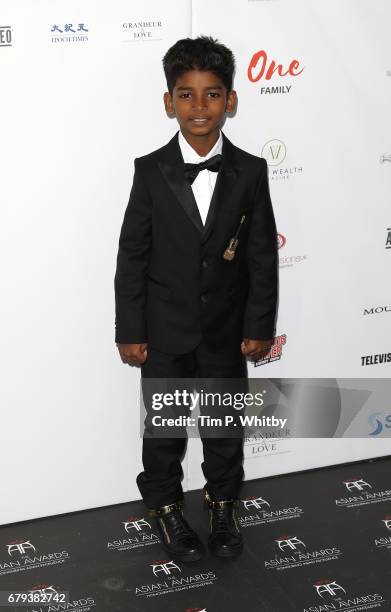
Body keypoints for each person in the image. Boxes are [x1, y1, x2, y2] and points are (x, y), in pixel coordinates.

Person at [114, 36, 278, 562]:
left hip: (227, 332)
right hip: (162, 332)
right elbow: (132, 255)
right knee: (163, 429)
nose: (199, 107)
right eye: (187, 95)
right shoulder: (149, 169)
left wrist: (259, 324)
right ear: (169, 102)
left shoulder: (251, 171)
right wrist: (130, 330)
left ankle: (222, 502)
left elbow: (260, 257)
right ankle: (164, 506)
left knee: (223, 426)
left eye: (212, 95)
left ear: (230, 100)